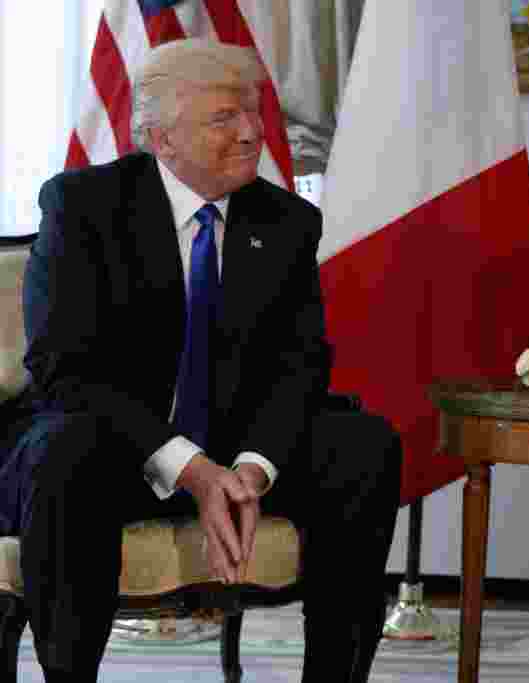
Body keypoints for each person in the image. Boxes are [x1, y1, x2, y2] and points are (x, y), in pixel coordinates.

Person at [0, 38, 401, 683]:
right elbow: (65, 368)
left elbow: (300, 364)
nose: (250, 133)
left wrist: (251, 469)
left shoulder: (287, 221)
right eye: (225, 118)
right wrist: (190, 468)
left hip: (235, 446)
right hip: (117, 444)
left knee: (364, 445)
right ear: (162, 139)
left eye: (253, 113)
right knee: (66, 454)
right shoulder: (83, 207)